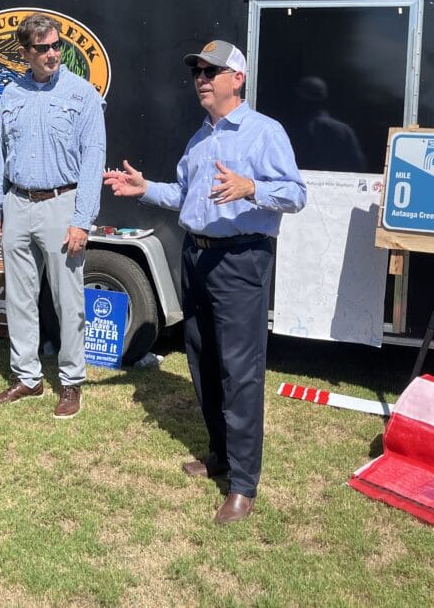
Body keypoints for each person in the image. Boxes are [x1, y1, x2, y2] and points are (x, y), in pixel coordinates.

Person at [103, 39, 306, 524]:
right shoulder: (201, 137)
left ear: (238, 79)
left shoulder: (264, 132)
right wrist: (145, 188)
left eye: (210, 71)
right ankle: (219, 453)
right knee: (203, 360)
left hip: (240, 260)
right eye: (196, 71)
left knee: (240, 370)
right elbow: (186, 194)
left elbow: (296, 194)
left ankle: (243, 484)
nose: (200, 79)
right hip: (196, 256)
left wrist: (251, 187)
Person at [0, 12, 106, 419]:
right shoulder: (10, 94)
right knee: (19, 298)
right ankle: (28, 377)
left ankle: (71, 382)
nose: (52, 54)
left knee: (68, 300)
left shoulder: (82, 94)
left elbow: (94, 159)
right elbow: (0, 153)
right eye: (43, 48)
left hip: (61, 204)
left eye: (57, 46)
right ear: (25, 52)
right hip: (17, 203)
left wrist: (82, 219)